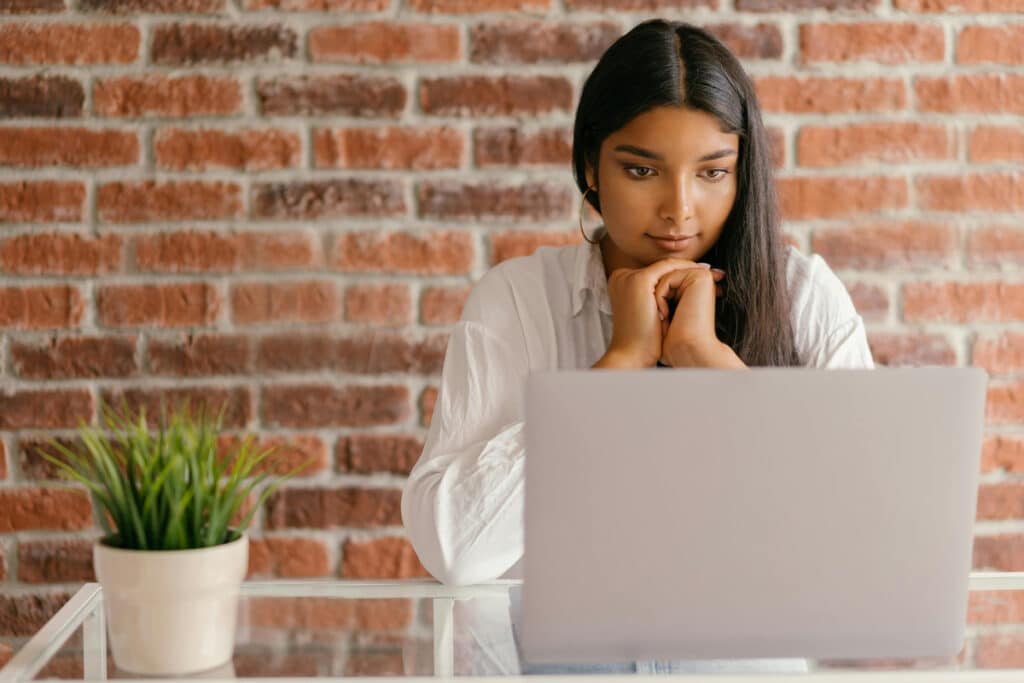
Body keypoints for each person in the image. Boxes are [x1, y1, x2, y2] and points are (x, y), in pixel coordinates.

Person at [402, 18, 875, 674]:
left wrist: (712, 363)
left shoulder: (807, 298)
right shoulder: (514, 300)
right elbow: (453, 546)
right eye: (641, 169)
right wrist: (616, 367)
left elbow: (865, 540)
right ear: (589, 167)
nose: (680, 209)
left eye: (713, 172)